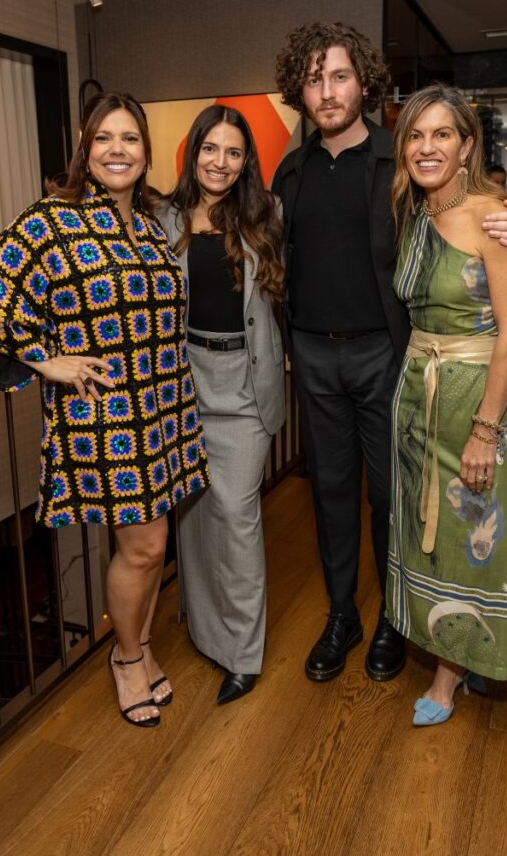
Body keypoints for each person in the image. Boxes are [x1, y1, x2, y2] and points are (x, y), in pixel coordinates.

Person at [272, 21, 507, 685]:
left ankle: (395, 617)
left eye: (339, 76)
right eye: (313, 79)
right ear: (299, 92)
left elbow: (472, 217)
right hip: (312, 357)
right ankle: (342, 615)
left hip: (387, 358)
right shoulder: (290, 170)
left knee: (391, 494)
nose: (327, 91)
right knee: (328, 492)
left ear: (363, 81)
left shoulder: (404, 167)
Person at [0, 91, 210, 728]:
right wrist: (43, 359)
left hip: (164, 406)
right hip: (107, 416)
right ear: (85, 152)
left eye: (130, 140)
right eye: (104, 139)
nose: (118, 150)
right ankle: (125, 658)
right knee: (144, 548)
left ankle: (139, 647)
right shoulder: (49, 222)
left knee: (155, 541)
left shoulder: (147, 227)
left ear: (146, 155)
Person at [386, 83, 507, 726]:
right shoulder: (413, 210)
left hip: (475, 399)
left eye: (442, 134)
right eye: (416, 135)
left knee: (476, 540)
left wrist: (484, 432)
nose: (427, 146)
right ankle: (447, 653)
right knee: (429, 538)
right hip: (419, 397)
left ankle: (449, 676)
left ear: (467, 144)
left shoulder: (494, 214)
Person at [156, 105, 285, 705]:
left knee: (235, 516)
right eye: (212, 149)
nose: (222, 163)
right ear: (193, 150)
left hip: (242, 381)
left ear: (246, 160)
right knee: (192, 513)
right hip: (181, 381)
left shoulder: (265, 213)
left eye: (234, 153)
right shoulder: (160, 217)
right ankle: (205, 631)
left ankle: (241, 652)